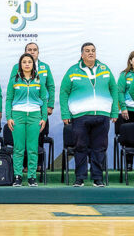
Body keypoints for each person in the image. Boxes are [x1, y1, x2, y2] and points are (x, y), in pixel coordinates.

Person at [60, 42, 118, 187]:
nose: (91, 53)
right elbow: (63, 92)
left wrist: (114, 111)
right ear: (82, 54)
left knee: (99, 148)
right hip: (80, 116)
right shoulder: (73, 71)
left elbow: (114, 89)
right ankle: (79, 178)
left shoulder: (105, 69)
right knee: (81, 147)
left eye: (93, 50)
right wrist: (65, 113)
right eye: (87, 51)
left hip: (102, 115)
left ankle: (97, 178)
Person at [10, 42, 55, 170]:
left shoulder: (45, 67)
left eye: (35, 49)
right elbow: (12, 88)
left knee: (38, 136)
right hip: (21, 109)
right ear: (25, 52)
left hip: (41, 107)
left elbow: (50, 86)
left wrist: (50, 105)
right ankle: (24, 165)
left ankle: (38, 165)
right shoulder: (16, 67)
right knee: (22, 138)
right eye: (29, 49)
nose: (32, 51)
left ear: (38, 52)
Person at [6, 53, 47, 187]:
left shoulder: (39, 80)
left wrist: (44, 118)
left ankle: (32, 177)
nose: (27, 64)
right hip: (17, 115)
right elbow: (9, 100)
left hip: (35, 116)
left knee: (32, 148)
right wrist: (9, 117)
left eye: (29, 62)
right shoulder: (14, 80)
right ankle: (17, 176)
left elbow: (44, 100)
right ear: (20, 65)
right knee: (18, 148)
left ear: (33, 64)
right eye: (24, 62)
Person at [118, 51, 134, 169]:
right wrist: (123, 108)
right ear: (130, 61)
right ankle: (129, 164)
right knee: (130, 138)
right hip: (129, 111)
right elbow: (120, 92)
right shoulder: (124, 75)